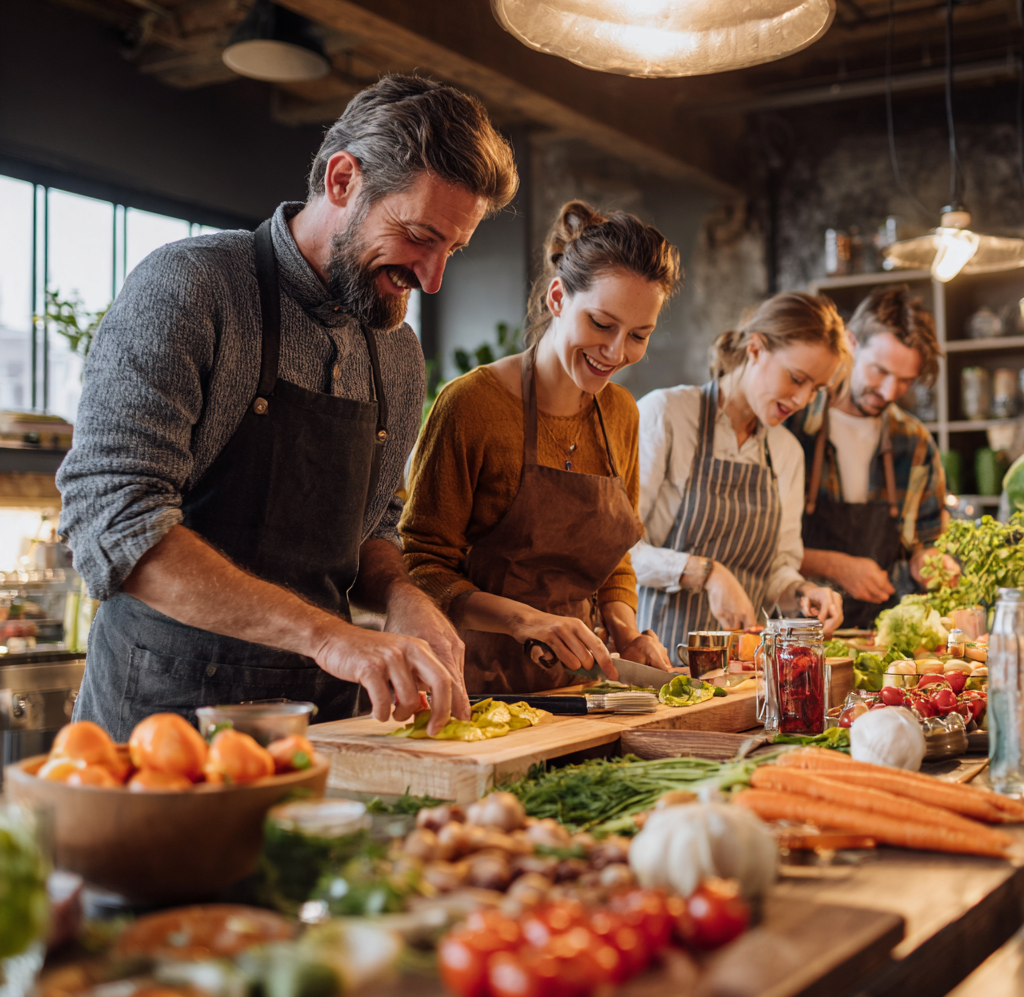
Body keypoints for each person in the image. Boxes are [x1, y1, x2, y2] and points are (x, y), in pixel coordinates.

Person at [56, 75, 519, 739]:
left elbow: (370, 530)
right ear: (341, 180)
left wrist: (401, 596)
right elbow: (114, 521)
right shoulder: (192, 288)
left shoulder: (397, 354)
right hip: (162, 728)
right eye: (419, 234)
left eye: (453, 248)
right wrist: (329, 637)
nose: (432, 276)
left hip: (322, 730)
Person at [400, 201, 679, 693]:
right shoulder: (471, 405)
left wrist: (626, 633)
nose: (616, 352)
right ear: (557, 298)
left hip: (576, 686)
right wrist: (523, 621)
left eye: (639, 335)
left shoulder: (621, 414)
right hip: (467, 683)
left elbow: (614, 559)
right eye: (600, 323)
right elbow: (420, 569)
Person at [634, 293, 846, 657]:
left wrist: (802, 591)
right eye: (797, 378)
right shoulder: (666, 414)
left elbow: (776, 568)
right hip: (658, 662)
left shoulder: (787, 452)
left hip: (743, 673)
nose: (802, 399)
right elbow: (621, 552)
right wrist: (706, 572)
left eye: (816, 389)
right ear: (755, 349)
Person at [788, 286, 957, 629]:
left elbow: (926, 542)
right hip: (796, 631)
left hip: (879, 633)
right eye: (879, 371)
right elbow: (759, 545)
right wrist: (837, 567)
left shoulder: (915, 442)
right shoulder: (793, 423)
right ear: (850, 342)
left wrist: (934, 564)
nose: (889, 392)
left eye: (905, 381)